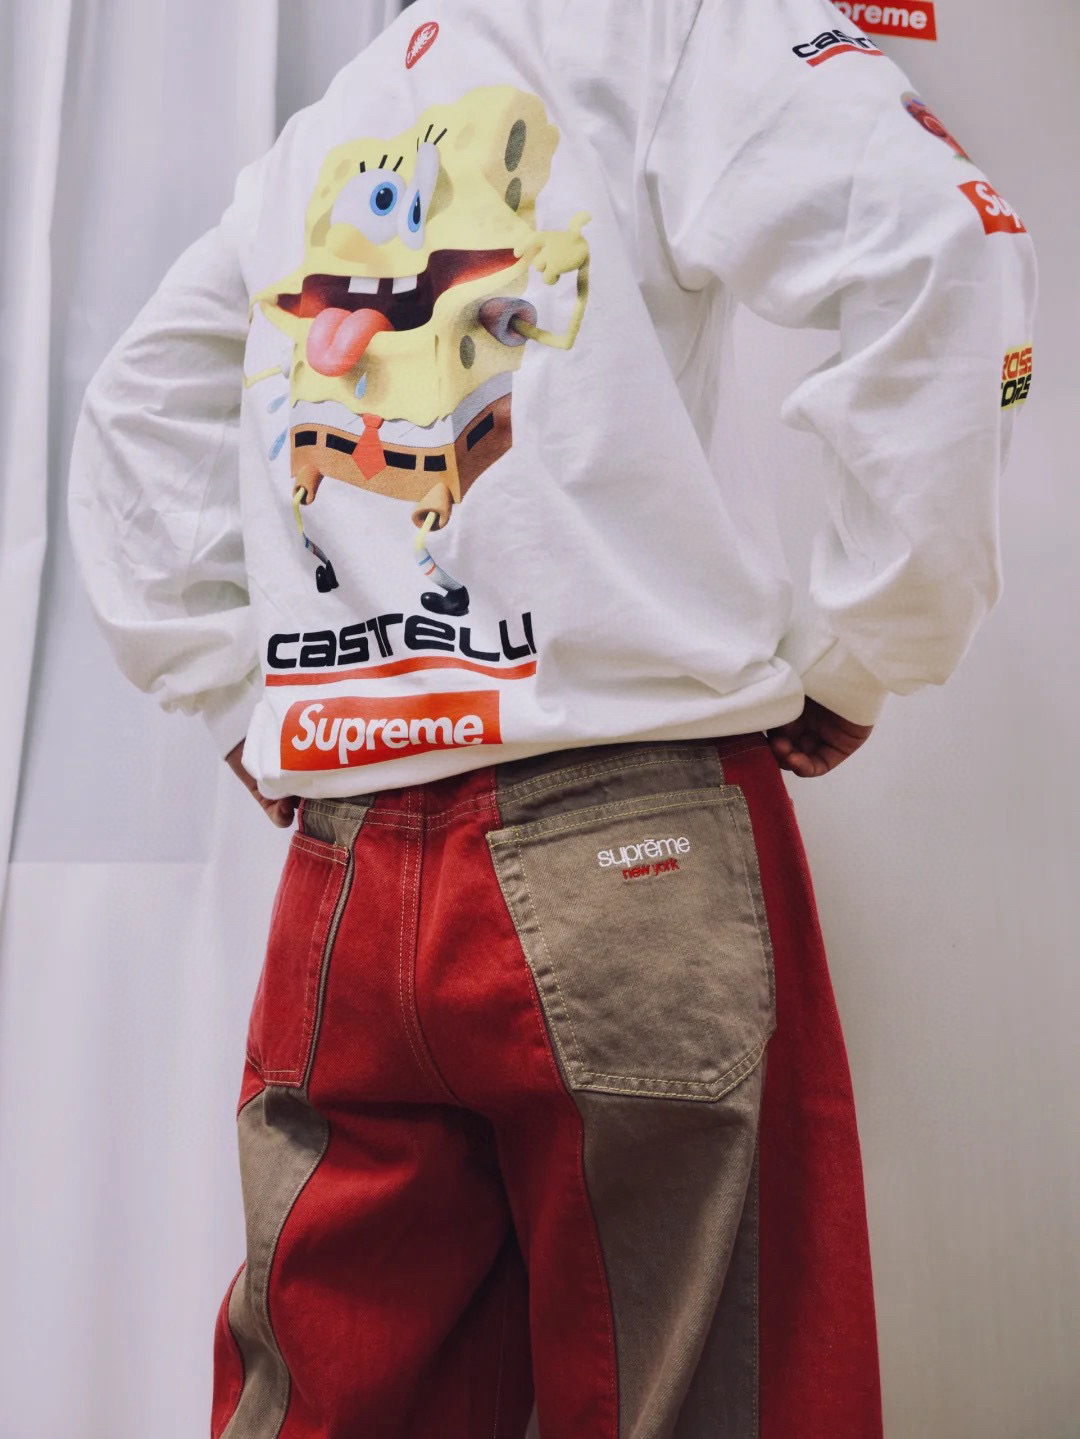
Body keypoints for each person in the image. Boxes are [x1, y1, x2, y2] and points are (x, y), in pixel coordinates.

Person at [66, 0, 1037, 1433]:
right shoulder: (668, 23)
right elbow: (947, 234)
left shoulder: (331, 125)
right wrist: (865, 645)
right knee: (704, 1394)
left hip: (347, 871)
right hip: (625, 834)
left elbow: (135, 409)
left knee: (332, 1398)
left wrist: (234, 687)